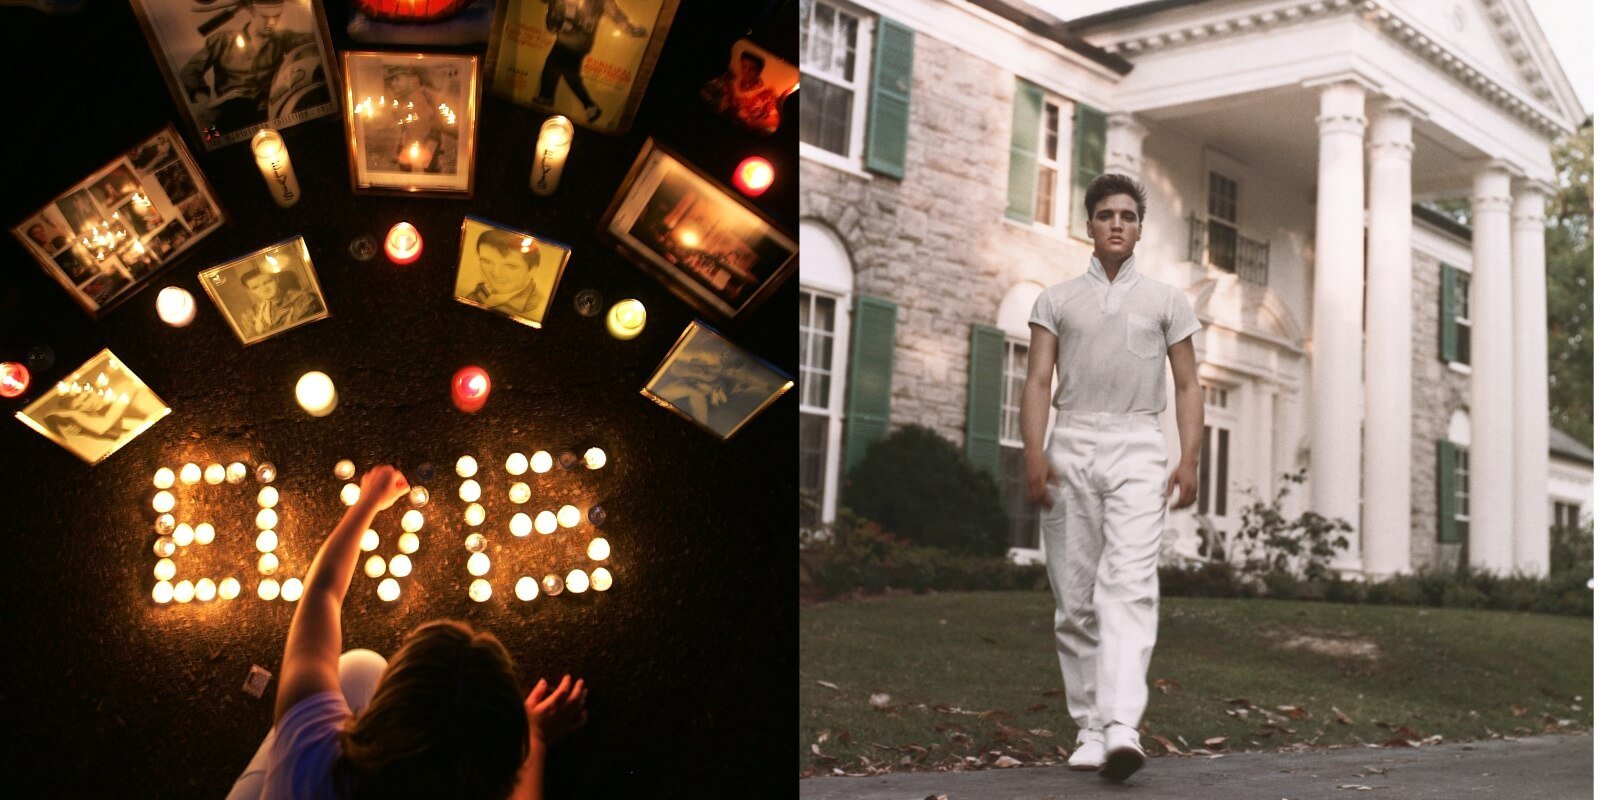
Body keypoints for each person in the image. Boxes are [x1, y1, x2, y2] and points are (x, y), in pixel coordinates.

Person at [225, 466, 589, 800]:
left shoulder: (314, 753)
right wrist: (534, 739)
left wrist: (368, 501)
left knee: (362, 667)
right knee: (362, 667)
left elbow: (322, 592)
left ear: (384, 707)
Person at [1021, 173, 1202, 783]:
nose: (1117, 223)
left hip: (1137, 446)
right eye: (1105, 215)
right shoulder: (1055, 300)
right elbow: (1037, 382)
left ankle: (1122, 724)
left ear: (1140, 227)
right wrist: (1032, 454)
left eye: (1127, 214)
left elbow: (1187, 385)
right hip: (1070, 442)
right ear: (1090, 226)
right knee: (1075, 599)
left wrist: (1189, 458)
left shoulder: (1168, 301)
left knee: (1127, 585)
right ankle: (1090, 729)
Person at [180, 0, 316, 134]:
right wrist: (207, 102)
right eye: (265, 17)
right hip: (231, 112)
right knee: (209, 136)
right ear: (251, 11)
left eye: (276, 16)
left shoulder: (282, 38)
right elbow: (189, 71)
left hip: (269, 111)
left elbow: (317, 37)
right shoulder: (221, 41)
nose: (272, 23)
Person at [535, 0, 647, 124]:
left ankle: (551, 97)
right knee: (557, 66)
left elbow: (615, 13)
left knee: (561, 67)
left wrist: (630, 29)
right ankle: (549, 97)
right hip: (565, 36)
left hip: (578, 41)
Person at [383, 65, 450, 173]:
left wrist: (431, 146)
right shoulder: (404, 99)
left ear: (412, 80)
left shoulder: (420, 97)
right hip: (414, 141)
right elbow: (405, 126)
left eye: (397, 79)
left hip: (428, 139)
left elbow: (431, 123)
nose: (393, 83)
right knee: (406, 168)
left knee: (430, 171)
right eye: (392, 80)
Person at [700, 50, 782, 134]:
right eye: (744, 67)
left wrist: (754, 123)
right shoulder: (733, 84)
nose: (746, 72)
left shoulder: (767, 92)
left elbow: (774, 121)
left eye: (752, 69)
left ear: (759, 71)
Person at [467, 228, 545, 317]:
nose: (496, 273)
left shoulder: (537, 307)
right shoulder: (480, 291)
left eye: (510, 266)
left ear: (532, 270)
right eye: (487, 261)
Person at [239, 264, 321, 339]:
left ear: (277, 279)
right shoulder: (249, 315)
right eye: (255, 287)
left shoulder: (303, 298)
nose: (264, 289)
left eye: (267, 282)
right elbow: (252, 339)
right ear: (250, 291)